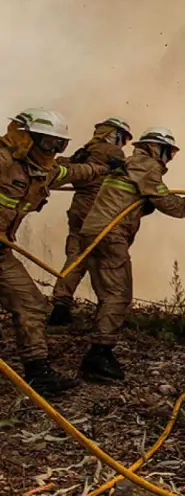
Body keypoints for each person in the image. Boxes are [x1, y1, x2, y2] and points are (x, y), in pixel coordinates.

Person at [77, 126, 185, 382]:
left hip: (94, 232)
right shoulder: (146, 166)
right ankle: (98, 355)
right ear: (155, 147)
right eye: (168, 152)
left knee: (108, 294)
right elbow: (168, 204)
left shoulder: (130, 164)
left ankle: (98, 347)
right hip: (110, 235)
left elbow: (133, 200)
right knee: (119, 295)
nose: (168, 159)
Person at [0, 108, 118, 394]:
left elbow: (74, 172)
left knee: (32, 304)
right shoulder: (3, 160)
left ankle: (38, 373)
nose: (52, 150)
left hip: (1, 253)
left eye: (59, 145)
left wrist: (104, 169)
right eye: (48, 143)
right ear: (27, 137)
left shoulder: (43, 171)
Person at [47, 117, 132, 326]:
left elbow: (67, 167)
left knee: (75, 257)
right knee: (107, 260)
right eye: (124, 139)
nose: (124, 144)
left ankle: (61, 304)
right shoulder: (112, 152)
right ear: (115, 135)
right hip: (97, 210)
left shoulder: (85, 151)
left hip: (78, 208)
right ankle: (110, 313)